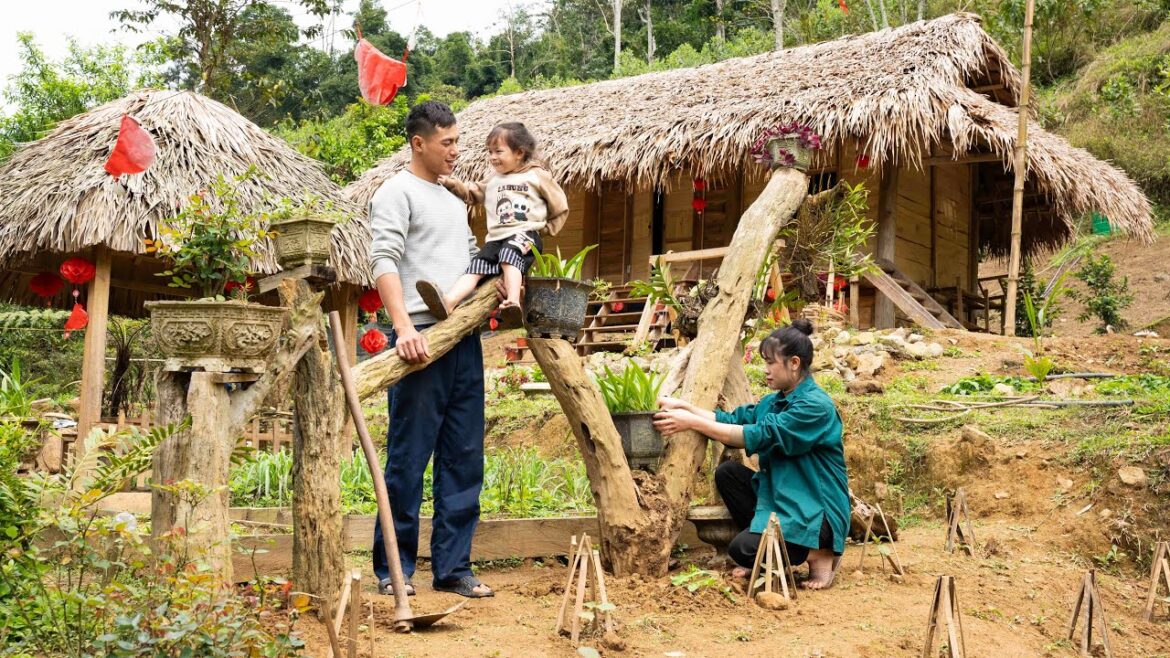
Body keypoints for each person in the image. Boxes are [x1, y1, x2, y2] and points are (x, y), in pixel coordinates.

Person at [367, 100, 494, 598]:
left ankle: (453, 568)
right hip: (418, 340)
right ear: (418, 143)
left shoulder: (450, 198)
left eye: (458, 141)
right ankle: (394, 570)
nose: (456, 151)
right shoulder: (396, 192)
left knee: (464, 456)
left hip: (462, 336)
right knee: (408, 458)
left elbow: (467, 259)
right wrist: (403, 329)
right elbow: (384, 260)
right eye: (448, 143)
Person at [653, 319, 850, 590]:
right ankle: (767, 550)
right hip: (787, 501)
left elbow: (759, 434)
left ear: (794, 363)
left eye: (771, 363)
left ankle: (820, 553)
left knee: (741, 550)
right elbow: (733, 419)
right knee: (728, 474)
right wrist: (685, 408)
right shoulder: (774, 401)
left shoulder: (815, 407)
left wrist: (690, 423)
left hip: (816, 512)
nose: (765, 370)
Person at [415, 122, 569, 326]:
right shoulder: (493, 179)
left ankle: (513, 301)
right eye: (490, 152)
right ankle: (448, 302)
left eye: (498, 151)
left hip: (525, 234)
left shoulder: (536, 175)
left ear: (519, 152)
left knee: (509, 256)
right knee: (475, 267)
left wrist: (545, 230)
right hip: (496, 239)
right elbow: (472, 193)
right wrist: (452, 183)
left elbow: (560, 207)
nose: (492, 157)